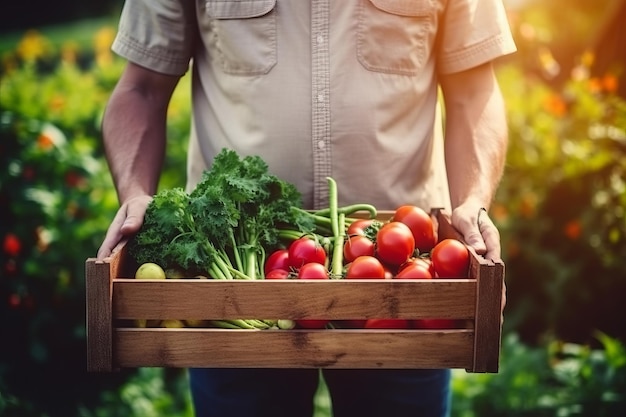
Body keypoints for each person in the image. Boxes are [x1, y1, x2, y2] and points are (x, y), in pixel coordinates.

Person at [97, 1, 516, 416]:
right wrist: (135, 192)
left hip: (402, 279)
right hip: (236, 281)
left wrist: (472, 202)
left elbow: (474, 92)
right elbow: (142, 89)